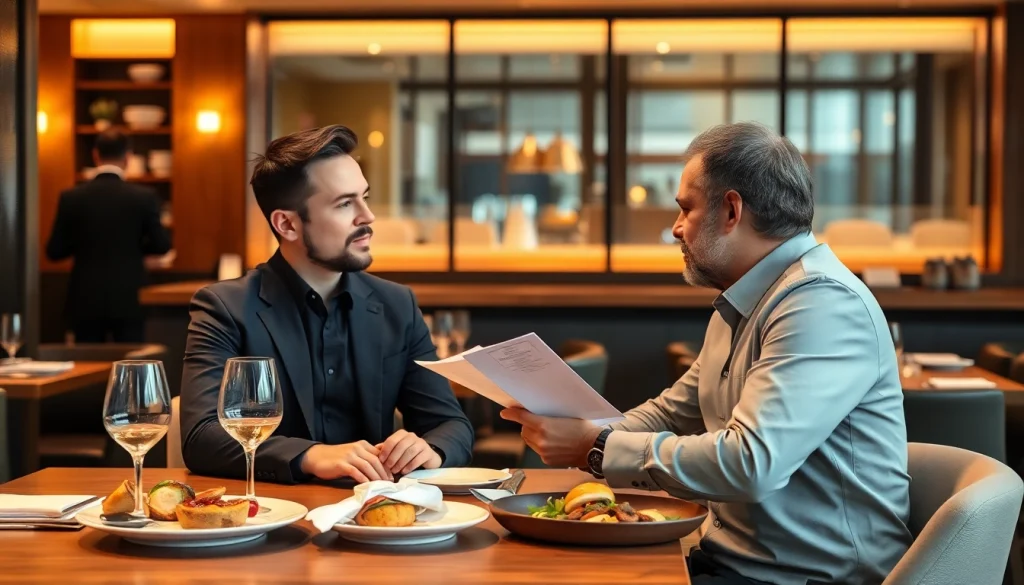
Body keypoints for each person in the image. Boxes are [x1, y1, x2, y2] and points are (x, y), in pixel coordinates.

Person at [502, 122, 912, 585]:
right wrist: (584, 433)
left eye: (686, 209)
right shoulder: (744, 298)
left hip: (807, 578)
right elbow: (672, 413)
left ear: (732, 210)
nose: (676, 229)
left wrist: (596, 448)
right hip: (731, 563)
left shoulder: (821, 303)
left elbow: (752, 464)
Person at [180, 124, 474, 484]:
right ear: (287, 224)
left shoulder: (397, 304)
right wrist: (309, 455)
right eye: (345, 203)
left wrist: (431, 449)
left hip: (376, 518)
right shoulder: (225, 308)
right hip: (271, 516)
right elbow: (201, 437)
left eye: (365, 197)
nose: (367, 217)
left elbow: (450, 424)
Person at [45, 128, 172, 342]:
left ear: (95, 155)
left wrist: (83, 242)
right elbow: (162, 245)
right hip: (129, 297)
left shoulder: (71, 197)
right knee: (131, 365)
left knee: (87, 368)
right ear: (128, 157)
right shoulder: (144, 197)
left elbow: (55, 251)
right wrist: (134, 247)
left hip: (84, 298)